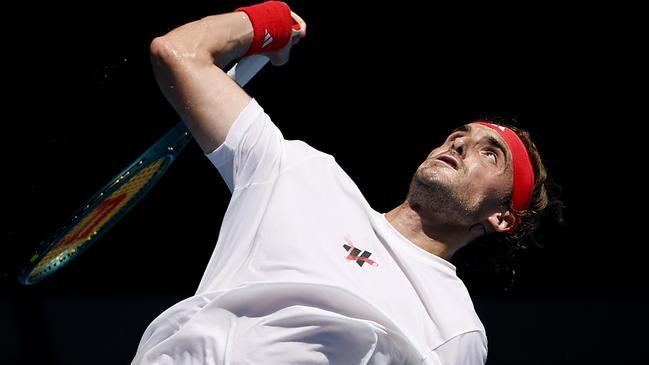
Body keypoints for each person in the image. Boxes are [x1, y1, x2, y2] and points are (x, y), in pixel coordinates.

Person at [132, 1, 562, 364]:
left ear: (503, 217)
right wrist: (266, 21)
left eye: (491, 153)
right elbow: (178, 51)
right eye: (460, 134)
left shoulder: (455, 328)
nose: (461, 143)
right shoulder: (300, 173)